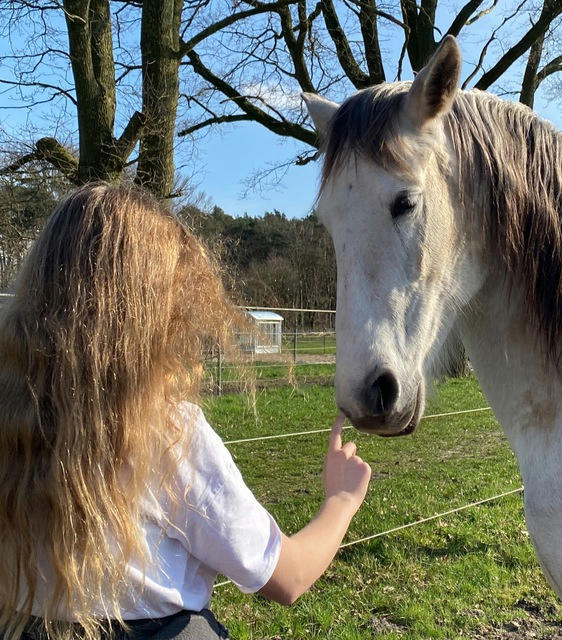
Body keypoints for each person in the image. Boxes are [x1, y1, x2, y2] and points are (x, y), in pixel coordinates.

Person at [0, 183, 371, 640]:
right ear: (153, 312)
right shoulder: (168, 433)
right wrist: (342, 500)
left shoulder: (9, 421)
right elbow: (288, 577)